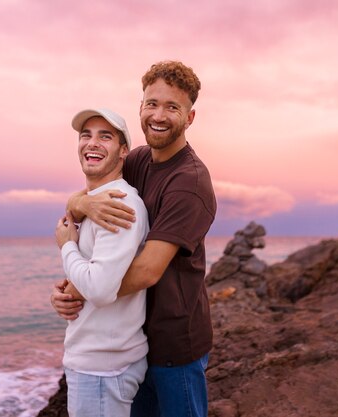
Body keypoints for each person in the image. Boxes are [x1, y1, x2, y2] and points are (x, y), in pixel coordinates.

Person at [52, 61, 217, 417]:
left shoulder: (190, 182)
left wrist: (78, 290)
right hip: (135, 343)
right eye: (152, 104)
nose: (159, 115)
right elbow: (96, 178)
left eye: (172, 107)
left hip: (176, 344)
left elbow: (146, 271)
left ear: (189, 118)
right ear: (140, 107)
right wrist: (81, 203)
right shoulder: (141, 159)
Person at [54, 108, 150, 417]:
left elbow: (99, 289)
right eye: (86, 135)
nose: (92, 143)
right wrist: (66, 292)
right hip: (100, 361)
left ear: (123, 151)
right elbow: (93, 275)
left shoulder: (117, 205)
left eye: (105, 137)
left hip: (103, 367)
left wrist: (66, 246)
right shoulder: (95, 202)